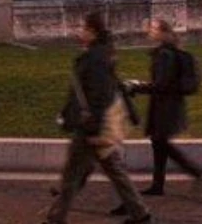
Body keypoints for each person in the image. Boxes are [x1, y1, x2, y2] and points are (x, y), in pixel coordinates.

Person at [44, 12, 150, 224]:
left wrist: (92, 127)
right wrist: (67, 113)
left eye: (83, 28)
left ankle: (56, 219)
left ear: (92, 31)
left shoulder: (95, 58)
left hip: (90, 128)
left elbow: (98, 95)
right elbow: (81, 92)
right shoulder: (99, 54)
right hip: (95, 125)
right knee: (113, 171)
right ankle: (141, 214)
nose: (79, 31)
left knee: (72, 175)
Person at [124, 17, 202, 201]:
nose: (150, 32)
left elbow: (161, 84)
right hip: (167, 104)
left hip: (165, 106)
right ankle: (158, 185)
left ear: (162, 32)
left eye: (153, 29)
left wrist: (136, 86)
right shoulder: (167, 51)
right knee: (159, 143)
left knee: (161, 143)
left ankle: (195, 172)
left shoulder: (164, 55)